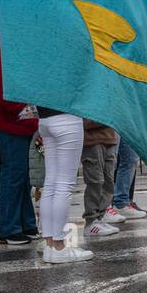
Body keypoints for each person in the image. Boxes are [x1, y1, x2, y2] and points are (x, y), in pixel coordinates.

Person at [0, 32, 39, 245]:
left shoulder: (8, 39)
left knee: (21, 174)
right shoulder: (7, 40)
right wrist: (27, 110)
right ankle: (11, 228)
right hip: (11, 120)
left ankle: (25, 223)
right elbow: (0, 88)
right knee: (14, 173)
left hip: (14, 119)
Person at [38, 109, 91, 263]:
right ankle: (59, 246)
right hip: (67, 118)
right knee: (64, 184)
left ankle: (50, 245)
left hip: (44, 119)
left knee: (50, 182)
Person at [82, 120, 124, 236]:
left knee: (108, 181)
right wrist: (108, 119)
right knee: (95, 182)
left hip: (110, 139)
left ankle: (100, 218)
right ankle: (91, 221)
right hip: (92, 141)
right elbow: (85, 121)